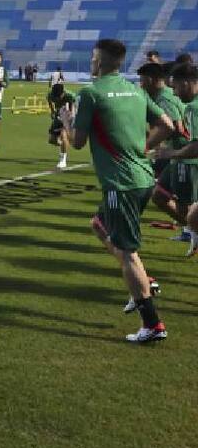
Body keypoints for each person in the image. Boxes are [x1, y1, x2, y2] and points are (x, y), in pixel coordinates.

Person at [58, 39, 174, 342]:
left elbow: (78, 142)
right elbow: (167, 125)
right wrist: (142, 148)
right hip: (144, 178)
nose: (91, 62)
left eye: (93, 58)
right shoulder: (135, 90)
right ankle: (143, 281)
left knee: (127, 251)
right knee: (99, 224)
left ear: (99, 61)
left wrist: (66, 120)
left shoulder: (90, 94)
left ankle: (152, 323)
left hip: (120, 184)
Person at [136, 62, 190, 231]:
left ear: (150, 80)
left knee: (164, 196)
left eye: (142, 80)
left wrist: (148, 144)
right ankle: (189, 229)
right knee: (161, 194)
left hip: (184, 154)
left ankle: (191, 229)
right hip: (177, 153)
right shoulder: (163, 95)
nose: (140, 85)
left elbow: (177, 127)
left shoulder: (164, 98)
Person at [154, 62, 198, 255]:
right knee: (160, 196)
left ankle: (192, 232)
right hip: (182, 159)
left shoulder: (193, 108)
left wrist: (170, 153)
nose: (174, 93)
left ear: (187, 83)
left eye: (176, 87)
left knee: (187, 210)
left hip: (187, 162)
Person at [46, 82, 75, 170]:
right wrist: (52, 111)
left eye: (59, 96)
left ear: (63, 93)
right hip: (59, 115)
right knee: (52, 140)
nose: (57, 98)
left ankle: (63, 160)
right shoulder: (51, 95)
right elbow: (50, 101)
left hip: (69, 114)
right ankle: (65, 144)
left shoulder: (70, 96)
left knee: (63, 135)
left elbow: (73, 107)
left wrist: (70, 116)